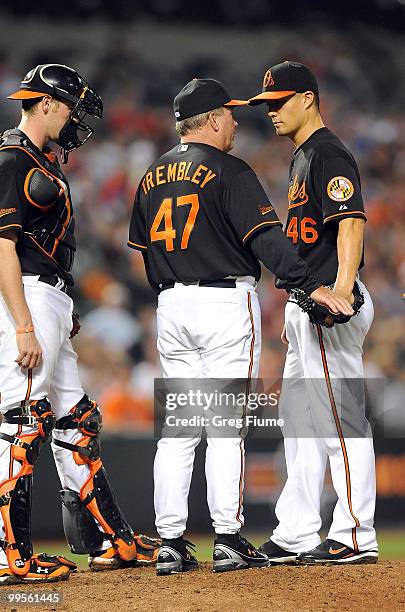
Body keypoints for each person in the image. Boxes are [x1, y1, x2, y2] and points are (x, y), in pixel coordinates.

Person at [128, 77, 353, 575]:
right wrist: (308, 284)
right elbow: (266, 239)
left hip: (172, 305)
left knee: (179, 430)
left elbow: (143, 255)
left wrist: (174, 289)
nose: (234, 120)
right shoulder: (229, 170)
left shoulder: (151, 174)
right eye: (227, 113)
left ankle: (170, 542)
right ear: (210, 119)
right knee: (226, 428)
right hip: (224, 305)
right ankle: (228, 537)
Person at [0, 64, 158, 585]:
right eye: (69, 107)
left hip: (48, 298)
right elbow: (2, 246)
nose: (73, 119)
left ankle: (111, 540)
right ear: (45, 104)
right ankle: (9, 556)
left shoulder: (36, 158)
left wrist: (58, 313)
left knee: (74, 418)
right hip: (23, 297)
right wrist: (24, 323)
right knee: (21, 419)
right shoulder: (12, 158)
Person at [249, 61, 378, 564]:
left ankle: (354, 532)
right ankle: (298, 529)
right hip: (308, 302)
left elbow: (351, 223)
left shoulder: (327, 152)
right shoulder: (302, 156)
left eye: (279, 102)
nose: (271, 112)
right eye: (266, 105)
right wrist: (292, 304)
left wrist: (341, 289)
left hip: (331, 302)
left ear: (307, 98)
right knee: (298, 419)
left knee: (340, 422)